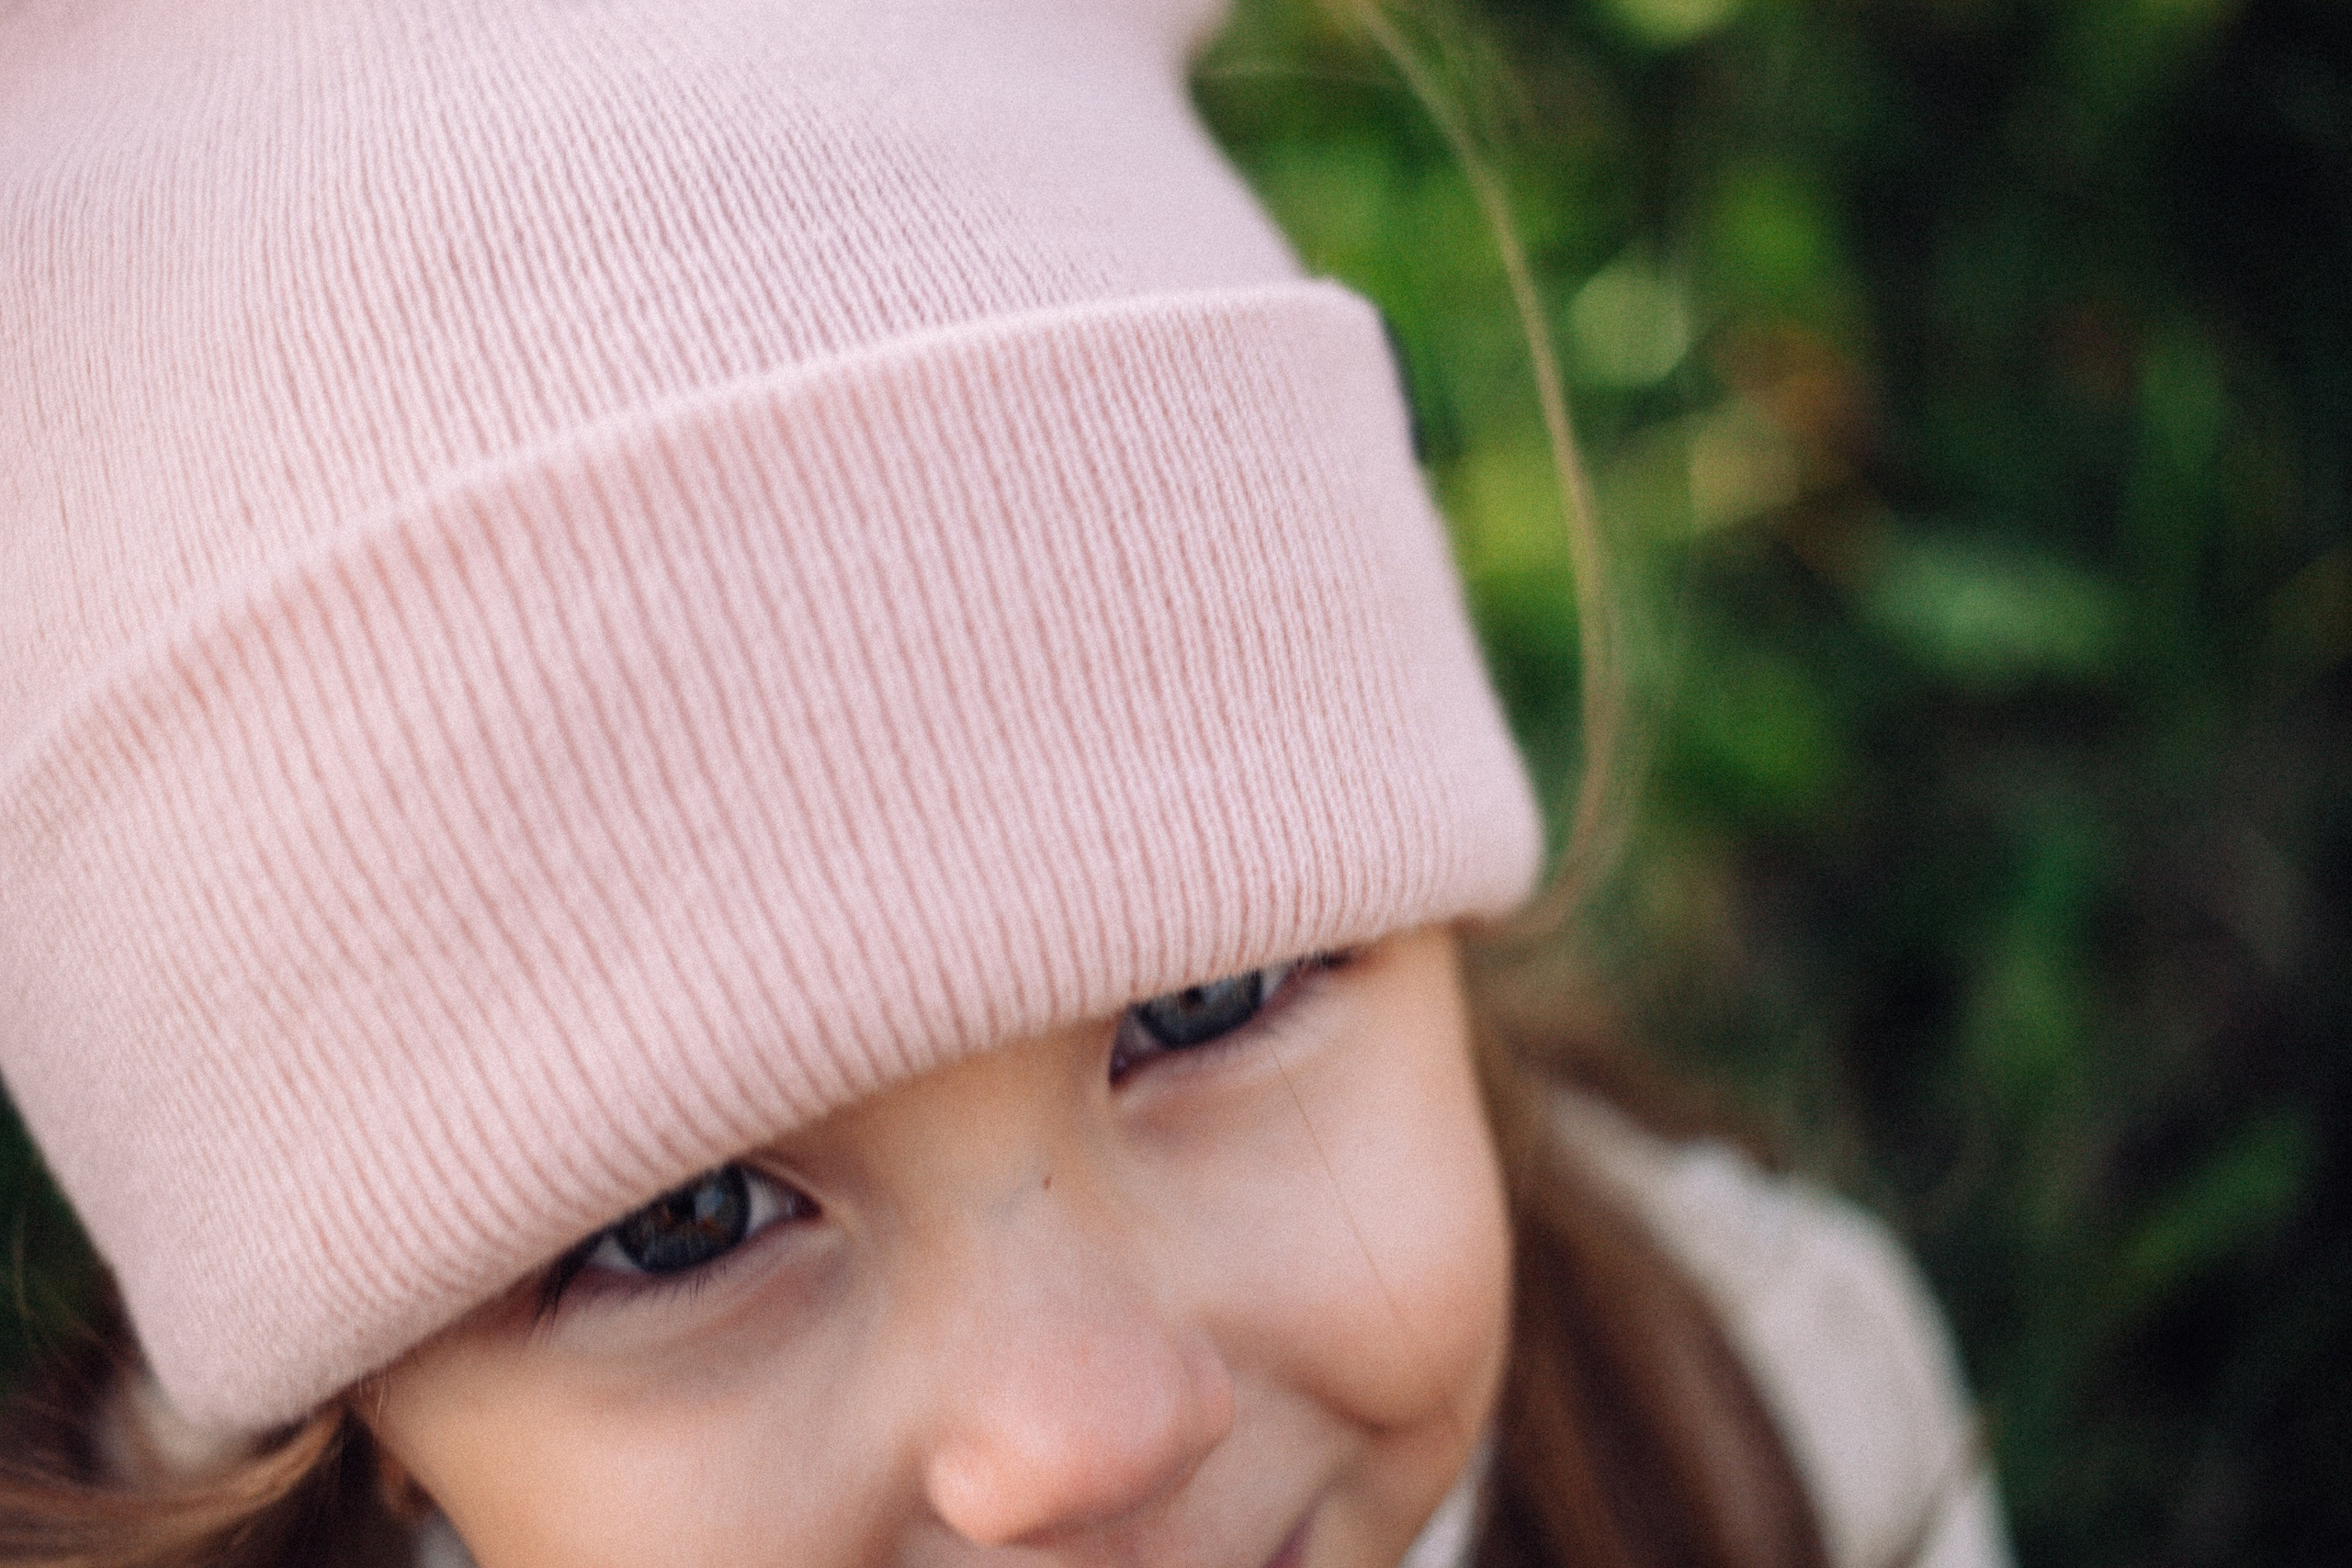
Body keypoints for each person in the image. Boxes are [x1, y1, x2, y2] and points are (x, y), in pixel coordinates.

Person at [0, 2, 2011, 1565]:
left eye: (1204, 999)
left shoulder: (1771, 1415)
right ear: (350, 1405)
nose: (1095, 1427)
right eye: (686, 1217)